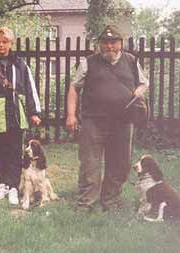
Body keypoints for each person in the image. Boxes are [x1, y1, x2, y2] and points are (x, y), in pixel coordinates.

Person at [66, 25, 149, 211]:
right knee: (89, 164)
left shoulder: (131, 61)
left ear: (120, 43)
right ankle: (85, 204)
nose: (109, 46)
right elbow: (74, 88)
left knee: (120, 163)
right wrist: (71, 115)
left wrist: (138, 92)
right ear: (99, 44)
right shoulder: (89, 62)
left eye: (113, 42)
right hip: (93, 121)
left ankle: (111, 202)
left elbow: (144, 83)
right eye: (105, 42)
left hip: (123, 121)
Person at [0, 27, 41, 205]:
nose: (1, 45)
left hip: (16, 115)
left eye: (5, 42)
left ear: (11, 43)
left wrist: (34, 112)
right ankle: (2, 183)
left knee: (14, 150)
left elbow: (30, 88)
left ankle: (13, 185)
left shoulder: (21, 65)